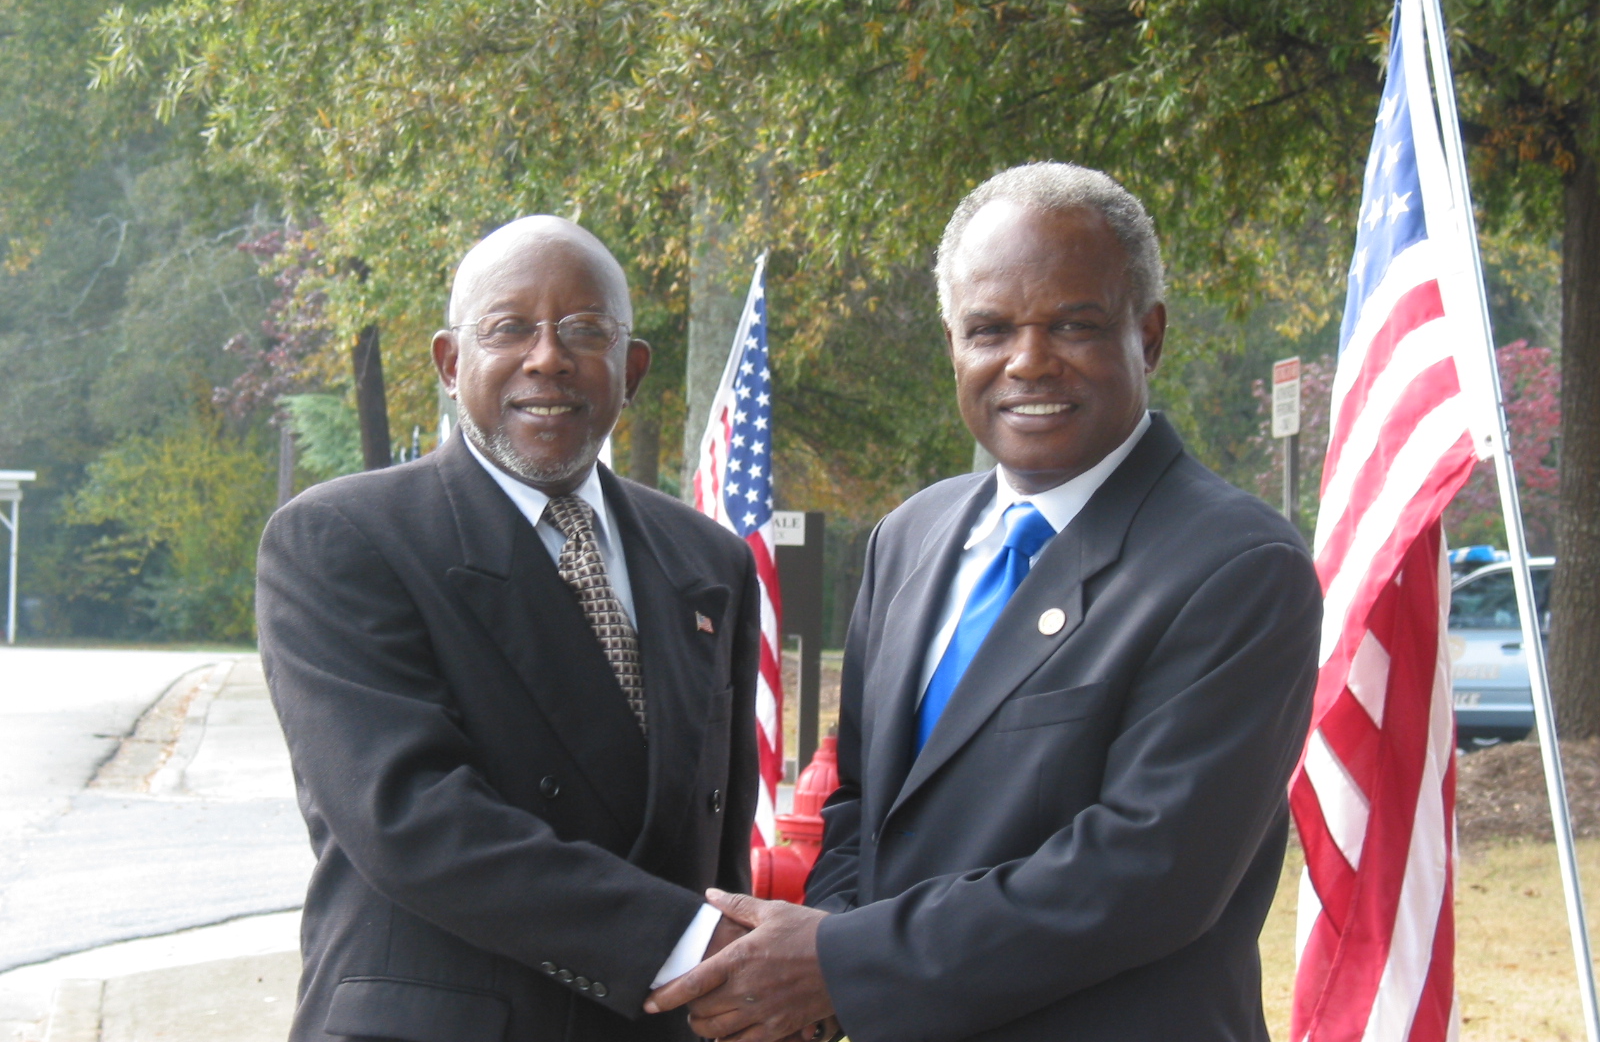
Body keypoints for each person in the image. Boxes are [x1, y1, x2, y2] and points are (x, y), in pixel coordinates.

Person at [646, 162, 1321, 1042]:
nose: (1028, 362)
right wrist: (831, 970)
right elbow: (858, 802)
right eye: (990, 329)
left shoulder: (1237, 566)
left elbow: (1144, 875)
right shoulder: (910, 536)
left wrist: (840, 963)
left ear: (1148, 336)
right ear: (953, 343)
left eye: (1074, 325)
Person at [257, 216, 760, 1042]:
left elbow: (716, 834)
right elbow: (411, 816)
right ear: (451, 364)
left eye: (585, 330)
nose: (548, 357)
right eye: (508, 328)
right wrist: (690, 943)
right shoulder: (343, 539)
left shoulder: (708, 558)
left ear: (631, 370)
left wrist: (741, 987)